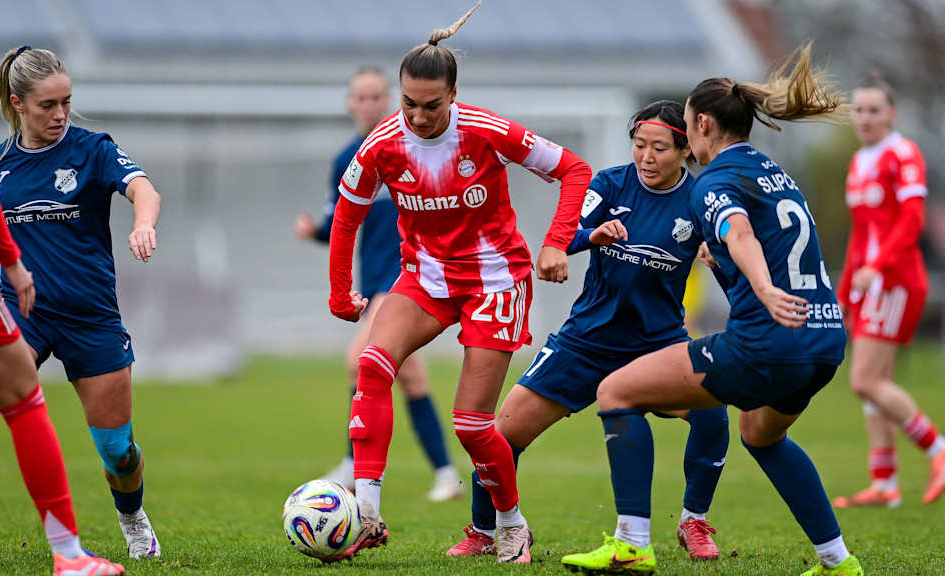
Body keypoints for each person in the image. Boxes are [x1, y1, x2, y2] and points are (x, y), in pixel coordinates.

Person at [561, 44, 865, 576]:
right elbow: (763, 238)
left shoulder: (714, 183)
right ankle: (837, 561)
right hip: (822, 340)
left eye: (683, 127)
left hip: (767, 340)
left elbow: (738, 231)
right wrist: (730, 267)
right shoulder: (771, 171)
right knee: (761, 434)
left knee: (615, 392)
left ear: (702, 124)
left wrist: (764, 289)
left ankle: (631, 545)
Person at [325, 1, 592, 563]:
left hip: (496, 281)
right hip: (424, 278)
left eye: (430, 106)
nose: (416, 118)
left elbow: (573, 169)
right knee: (372, 365)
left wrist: (554, 242)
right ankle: (366, 517)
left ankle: (512, 526)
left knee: (472, 425)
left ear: (453, 95)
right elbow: (347, 215)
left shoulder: (486, 131)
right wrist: (339, 289)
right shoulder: (382, 143)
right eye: (407, 104)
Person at [445, 100, 729, 562]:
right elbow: (565, 237)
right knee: (500, 434)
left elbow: (730, 252)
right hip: (586, 341)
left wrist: (718, 257)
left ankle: (693, 521)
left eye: (660, 148)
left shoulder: (698, 201)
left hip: (657, 344)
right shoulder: (610, 183)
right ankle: (484, 529)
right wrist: (589, 238)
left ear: (685, 151)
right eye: (640, 145)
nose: (647, 157)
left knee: (712, 411)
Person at [0, 42, 162, 561]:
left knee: (118, 453)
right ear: (17, 104)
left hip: (91, 316)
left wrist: (143, 224)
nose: (60, 114)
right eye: (48, 105)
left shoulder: (91, 149)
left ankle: (133, 518)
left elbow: (144, 188)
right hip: (21, 311)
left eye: (66, 102)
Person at [295, 66, 461, 502]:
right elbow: (341, 221)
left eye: (376, 96)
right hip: (373, 280)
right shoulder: (347, 159)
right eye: (360, 97)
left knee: (361, 360)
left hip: (406, 274)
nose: (368, 104)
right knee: (411, 377)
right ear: (350, 103)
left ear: (388, 99)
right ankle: (445, 473)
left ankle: (356, 466)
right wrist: (314, 230)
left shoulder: (408, 146)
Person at [832, 72, 945, 509]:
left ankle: (937, 450)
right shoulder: (859, 162)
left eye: (874, 110)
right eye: (858, 109)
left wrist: (876, 267)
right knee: (874, 382)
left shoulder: (902, 153)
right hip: (869, 283)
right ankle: (885, 482)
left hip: (896, 280)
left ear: (891, 114)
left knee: (865, 380)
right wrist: (845, 292)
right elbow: (861, 235)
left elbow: (912, 220)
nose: (865, 117)